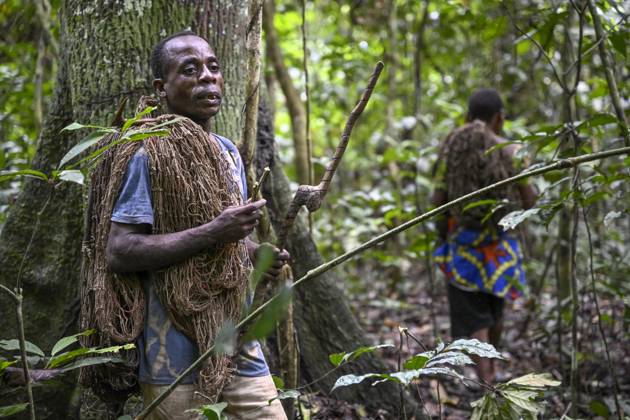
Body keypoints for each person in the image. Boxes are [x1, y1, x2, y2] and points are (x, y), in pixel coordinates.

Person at [86, 31, 289, 419]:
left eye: (213, 68)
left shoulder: (227, 152)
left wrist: (254, 253)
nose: (207, 77)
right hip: (172, 356)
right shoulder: (147, 154)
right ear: (162, 87)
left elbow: (226, 238)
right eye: (190, 70)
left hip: (235, 340)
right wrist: (216, 230)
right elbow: (120, 251)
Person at [431, 88, 536, 384]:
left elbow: (437, 198)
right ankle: (492, 376)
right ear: (499, 119)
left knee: (475, 316)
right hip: (499, 250)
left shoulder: (453, 148)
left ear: (467, 116)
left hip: (463, 248)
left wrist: (443, 232)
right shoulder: (511, 151)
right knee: (494, 311)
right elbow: (530, 200)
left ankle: (486, 378)